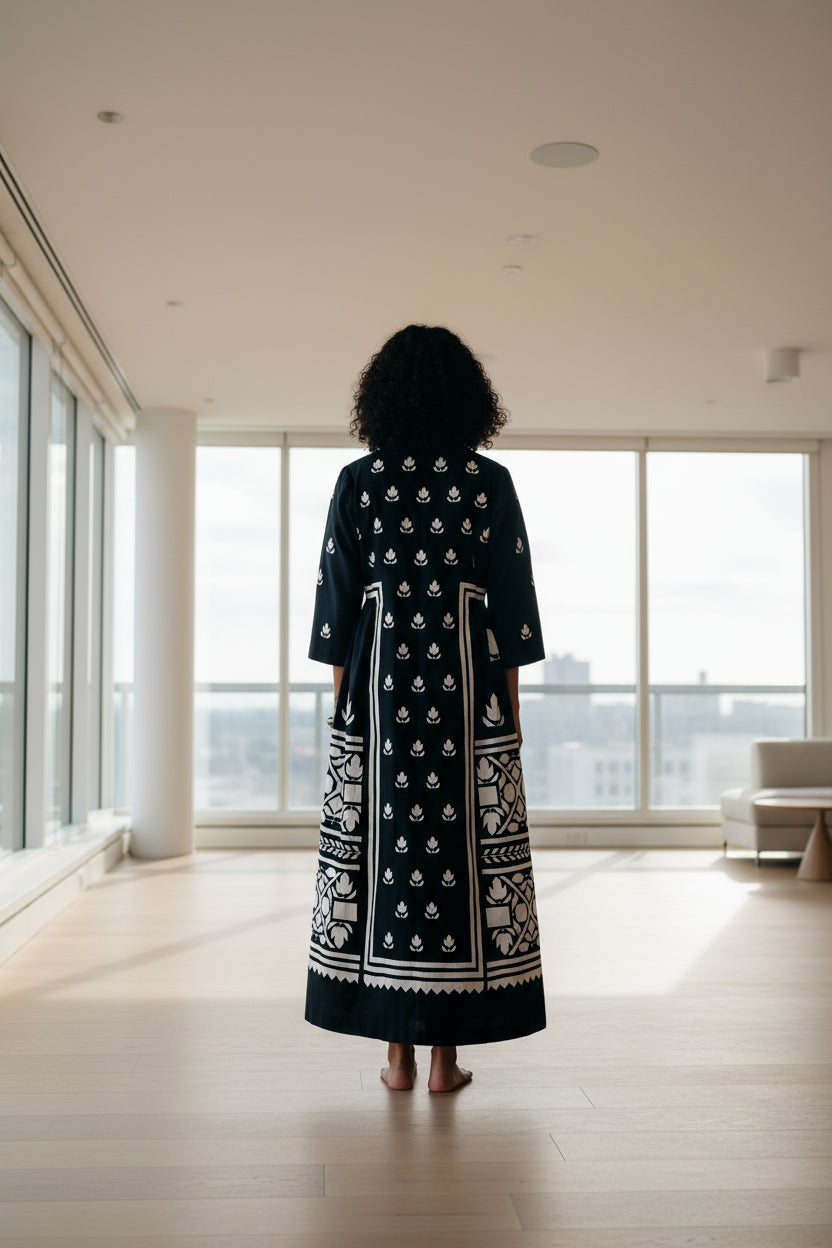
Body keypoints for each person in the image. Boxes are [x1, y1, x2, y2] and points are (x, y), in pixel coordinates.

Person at [305, 324, 546, 1092]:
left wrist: (345, 716)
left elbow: (336, 612)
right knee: (460, 862)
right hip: (466, 701)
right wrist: (508, 720)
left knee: (386, 862)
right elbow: (514, 614)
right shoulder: (488, 485)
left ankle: (397, 1060)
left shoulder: (358, 482)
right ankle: (447, 1063)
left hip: (379, 705)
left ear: (381, 398)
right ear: (470, 400)